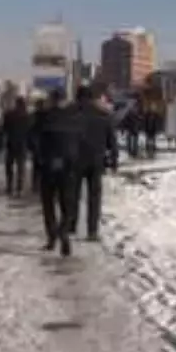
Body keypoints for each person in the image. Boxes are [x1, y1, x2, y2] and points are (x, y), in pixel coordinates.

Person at [67, 85, 118, 241]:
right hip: (96, 160)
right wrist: (114, 160)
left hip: (75, 159)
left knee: (72, 194)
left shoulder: (70, 114)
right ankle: (92, 231)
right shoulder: (103, 115)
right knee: (94, 196)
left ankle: (71, 226)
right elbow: (112, 141)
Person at [35, 89, 79, 256]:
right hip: (68, 166)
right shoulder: (74, 118)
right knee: (67, 204)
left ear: (52, 100)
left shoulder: (42, 117)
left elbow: (33, 139)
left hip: (48, 165)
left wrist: (40, 158)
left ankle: (52, 236)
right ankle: (64, 231)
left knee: (48, 204)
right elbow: (81, 141)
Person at [1, 97, 32, 196]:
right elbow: (30, 131)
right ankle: (19, 187)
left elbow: (4, 128)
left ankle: (9, 186)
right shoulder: (27, 116)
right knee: (20, 167)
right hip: (22, 144)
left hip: (11, 143)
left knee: (9, 166)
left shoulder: (9, 114)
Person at [28, 98, 48, 194]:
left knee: (37, 166)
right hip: (42, 144)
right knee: (40, 166)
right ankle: (38, 185)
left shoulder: (35, 116)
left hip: (40, 143)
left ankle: (36, 185)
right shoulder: (46, 115)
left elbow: (30, 130)